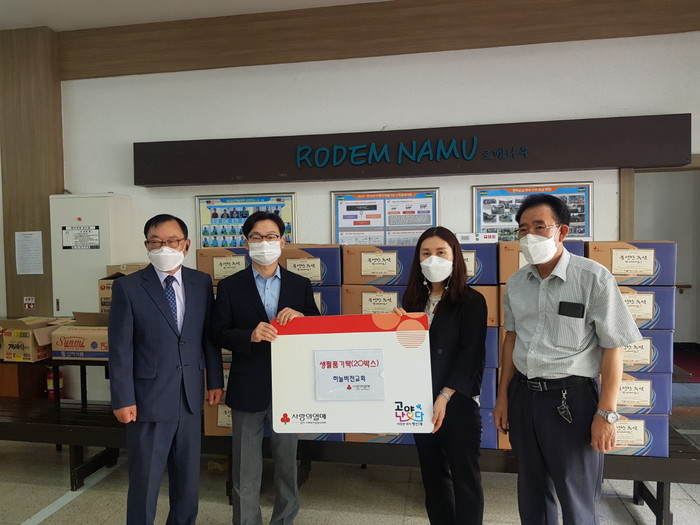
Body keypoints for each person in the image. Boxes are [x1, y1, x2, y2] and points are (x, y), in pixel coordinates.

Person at [493, 194, 642, 525]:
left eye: (539, 227)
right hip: (523, 396)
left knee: (577, 499)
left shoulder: (593, 278)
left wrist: (606, 413)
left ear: (561, 231)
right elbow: (511, 339)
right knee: (531, 493)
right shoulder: (516, 283)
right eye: (522, 229)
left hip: (571, 401)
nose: (529, 236)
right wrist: (502, 396)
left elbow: (614, 347)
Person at [108, 214, 224, 525]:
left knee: (187, 478)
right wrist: (122, 398)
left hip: (189, 396)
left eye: (172, 241)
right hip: (147, 399)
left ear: (186, 244)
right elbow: (120, 348)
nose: (165, 248)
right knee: (145, 480)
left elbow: (208, 337)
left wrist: (215, 380)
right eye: (156, 242)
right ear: (146, 245)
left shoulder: (201, 282)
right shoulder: (128, 287)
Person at [211, 211, 320, 525]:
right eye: (256, 237)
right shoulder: (230, 286)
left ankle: (284, 519)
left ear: (282, 242)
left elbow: (317, 328)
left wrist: (301, 319)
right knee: (245, 468)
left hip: (290, 386)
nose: (264, 243)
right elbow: (217, 332)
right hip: (248, 385)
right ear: (246, 243)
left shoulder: (300, 284)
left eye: (271, 236)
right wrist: (249, 335)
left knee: (287, 464)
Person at [393, 226, 487, 525]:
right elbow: (406, 351)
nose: (433, 259)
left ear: (454, 257)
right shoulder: (411, 301)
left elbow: (471, 355)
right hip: (421, 402)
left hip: (456, 402)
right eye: (426, 253)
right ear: (418, 259)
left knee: (465, 479)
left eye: (441, 252)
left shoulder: (472, 301)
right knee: (433, 478)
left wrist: (445, 396)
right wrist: (393, 328)